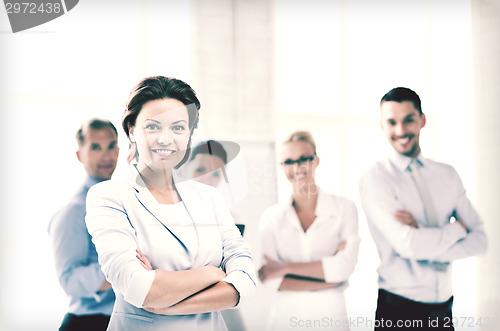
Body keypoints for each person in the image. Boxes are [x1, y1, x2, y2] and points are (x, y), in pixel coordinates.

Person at [84, 76, 257, 331]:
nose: (166, 139)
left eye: (178, 127)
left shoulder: (209, 197)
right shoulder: (109, 196)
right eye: (153, 127)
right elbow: (137, 287)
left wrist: (171, 301)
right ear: (132, 129)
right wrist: (213, 274)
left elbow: (247, 280)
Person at [359, 87, 488, 330]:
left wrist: (426, 242)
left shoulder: (447, 174)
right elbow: (409, 245)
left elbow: (481, 240)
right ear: (382, 125)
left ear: (422, 120)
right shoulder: (376, 178)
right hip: (398, 308)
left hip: (444, 308)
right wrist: (456, 230)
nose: (400, 131)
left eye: (408, 120)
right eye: (391, 122)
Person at [258, 131, 359, 330]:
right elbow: (269, 279)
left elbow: (344, 268)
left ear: (316, 161)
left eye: (304, 159)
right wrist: (331, 279)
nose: (297, 167)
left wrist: (285, 268)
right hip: (285, 320)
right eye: (288, 161)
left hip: (331, 319)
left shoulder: (344, 208)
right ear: (281, 166)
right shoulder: (271, 219)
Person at [48, 118, 119, 331]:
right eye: (96, 147)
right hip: (87, 323)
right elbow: (69, 279)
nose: (106, 155)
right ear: (80, 155)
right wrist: (122, 269)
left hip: (118, 321)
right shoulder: (74, 211)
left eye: (111, 145)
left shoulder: (124, 201)